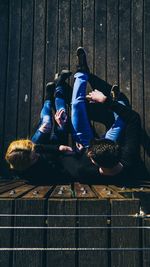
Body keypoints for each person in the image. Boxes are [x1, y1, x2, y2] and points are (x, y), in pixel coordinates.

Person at [60, 47, 144, 182]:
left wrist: (80, 152)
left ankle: (82, 72)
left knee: (76, 106)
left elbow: (63, 157)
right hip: (100, 146)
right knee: (122, 115)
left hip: (86, 146)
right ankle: (115, 101)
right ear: (118, 149)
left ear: (93, 161)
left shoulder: (82, 171)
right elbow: (134, 118)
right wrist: (106, 101)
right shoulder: (128, 160)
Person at [5, 70, 74, 183]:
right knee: (62, 118)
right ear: (26, 165)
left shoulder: (30, 152)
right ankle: (59, 86)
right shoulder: (35, 176)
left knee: (46, 122)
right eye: (34, 157)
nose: (36, 153)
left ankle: (48, 99)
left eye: (33, 150)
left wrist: (41, 147)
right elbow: (58, 166)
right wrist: (59, 148)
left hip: (49, 148)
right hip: (53, 154)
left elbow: (37, 148)